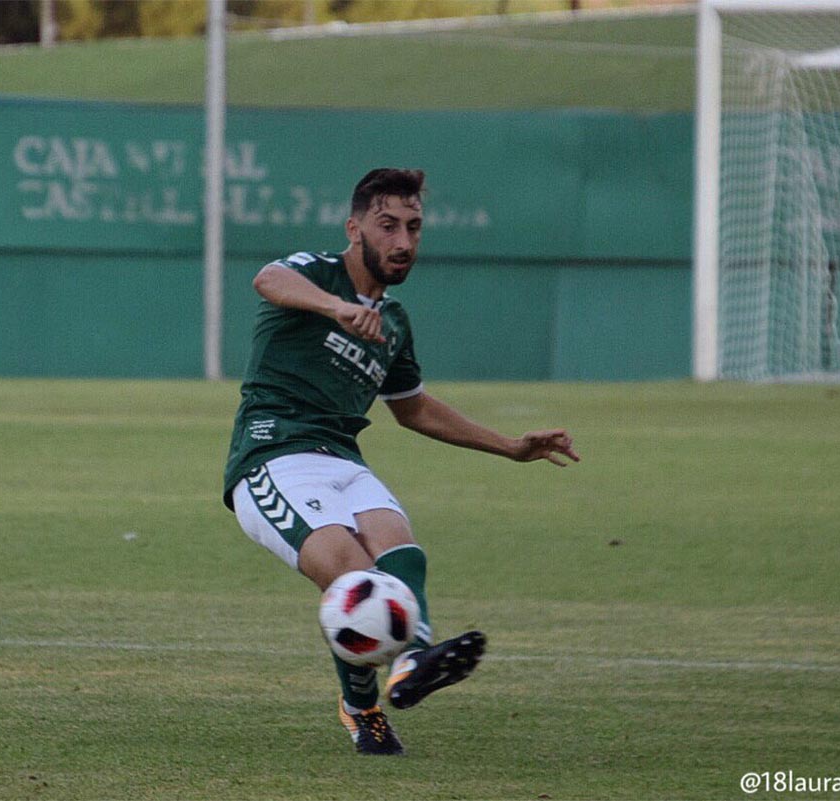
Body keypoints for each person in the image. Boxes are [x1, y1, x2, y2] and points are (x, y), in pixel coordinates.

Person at [223, 168, 581, 756]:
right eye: (387, 226)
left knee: (400, 551)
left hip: (341, 454)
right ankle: (363, 707)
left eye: (413, 227)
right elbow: (268, 278)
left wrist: (512, 448)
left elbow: (413, 409)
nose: (403, 241)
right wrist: (335, 308)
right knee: (356, 581)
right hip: (273, 453)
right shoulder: (318, 274)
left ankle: (411, 661)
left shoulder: (393, 323)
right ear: (355, 227)